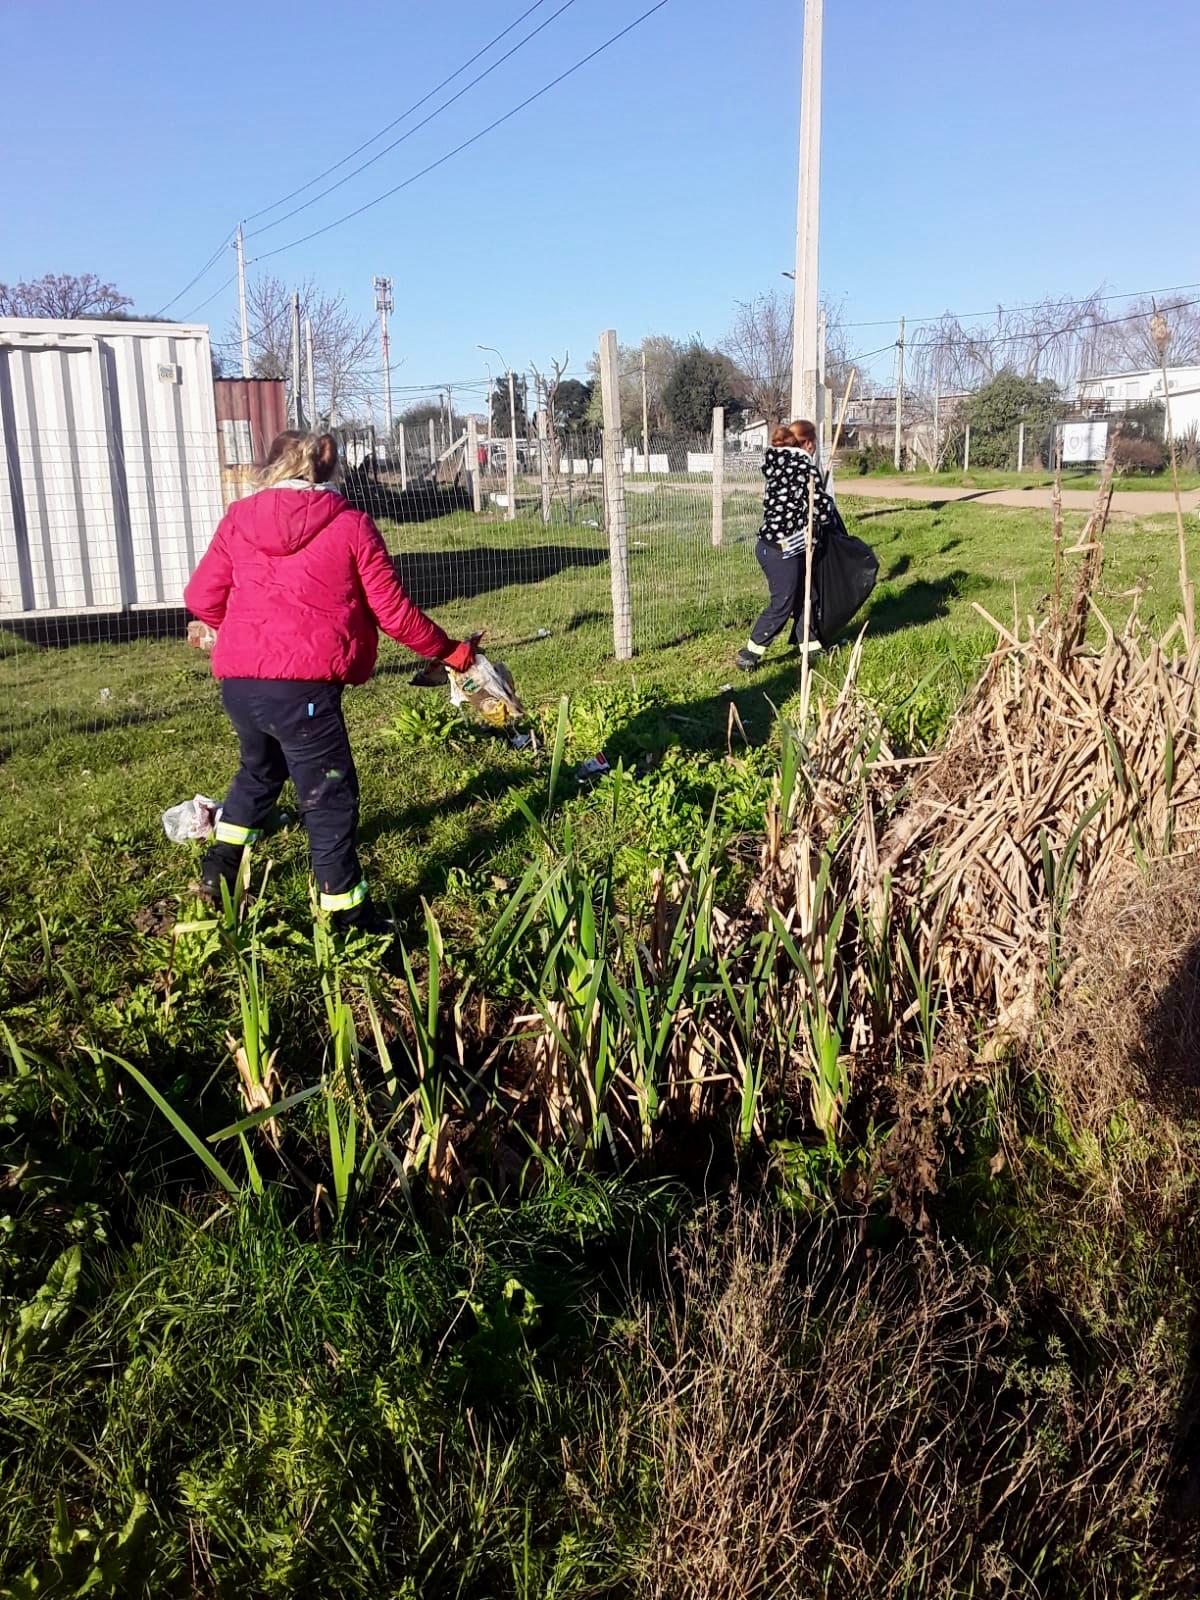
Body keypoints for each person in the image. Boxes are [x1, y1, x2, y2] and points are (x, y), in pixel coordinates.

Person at [183, 429, 476, 934]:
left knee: (259, 772)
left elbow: (200, 595)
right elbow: (393, 612)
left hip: (241, 685)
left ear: (271, 467)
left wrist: (230, 627)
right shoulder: (350, 525)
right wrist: (448, 651)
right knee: (328, 795)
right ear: (325, 469)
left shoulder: (238, 519)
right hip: (303, 692)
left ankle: (220, 871)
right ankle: (347, 913)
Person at [736, 418, 837, 671]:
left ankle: (811, 646)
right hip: (782, 549)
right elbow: (822, 512)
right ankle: (750, 651)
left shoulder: (778, 465)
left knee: (807, 595)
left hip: (772, 546)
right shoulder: (803, 467)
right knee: (783, 602)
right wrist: (824, 498)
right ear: (809, 444)